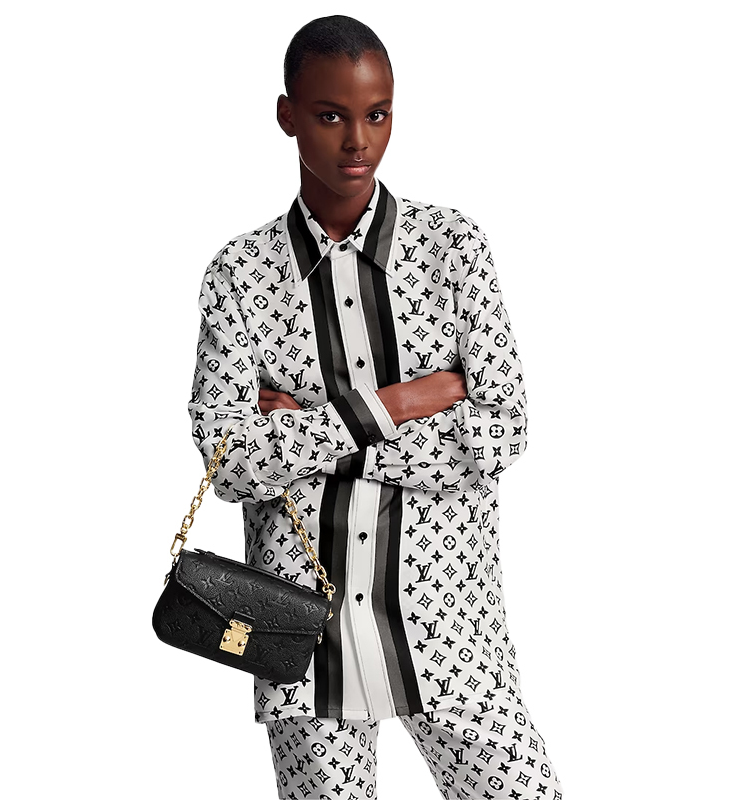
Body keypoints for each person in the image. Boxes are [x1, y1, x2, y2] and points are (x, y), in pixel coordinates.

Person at [188, 14, 564, 800]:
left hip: (449, 626)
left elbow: (500, 432)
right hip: (298, 636)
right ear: (288, 115)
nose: (358, 141)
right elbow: (231, 465)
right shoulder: (239, 273)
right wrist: (403, 401)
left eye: (377, 114)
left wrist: (306, 433)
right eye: (331, 116)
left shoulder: (452, 248)